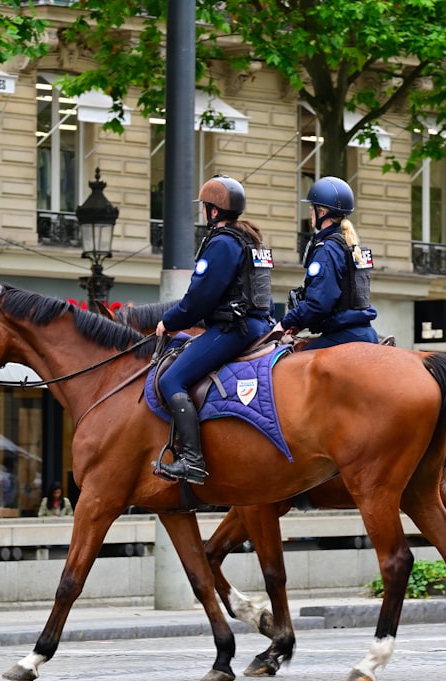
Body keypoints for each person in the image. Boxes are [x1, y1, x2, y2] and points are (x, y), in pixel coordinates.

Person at [153, 174, 274, 484]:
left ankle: (193, 461)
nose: (203, 211)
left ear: (214, 211)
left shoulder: (222, 243)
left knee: (171, 380)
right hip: (259, 324)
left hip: (235, 328)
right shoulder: (249, 239)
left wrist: (170, 322)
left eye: (205, 206)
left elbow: (199, 299)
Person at [276, 176, 378, 349]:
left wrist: (284, 323)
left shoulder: (327, 249)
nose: (310, 212)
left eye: (312, 208)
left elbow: (319, 303)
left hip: (343, 337)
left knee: (288, 362)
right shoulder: (350, 245)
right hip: (366, 333)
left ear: (322, 212)